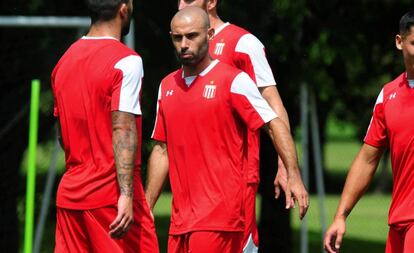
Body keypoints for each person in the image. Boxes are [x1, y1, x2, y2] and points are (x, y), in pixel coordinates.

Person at [145, 6, 308, 253]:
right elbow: (161, 149)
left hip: (218, 218)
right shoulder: (166, 86)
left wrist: (292, 173)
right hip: (180, 222)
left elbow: (274, 124)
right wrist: (147, 206)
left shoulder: (234, 80)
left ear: (210, 35)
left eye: (192, 36)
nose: (184, 44)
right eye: (178, 38)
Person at [50, 0, 159, 252]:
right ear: (124, 8)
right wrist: (127, 195)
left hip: (70, 196)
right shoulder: (126, 61)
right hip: (110, 196)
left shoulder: (63, 62)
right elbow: (123, 128)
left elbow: (61, 136)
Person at [324, 11, 414, 253]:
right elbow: (367, 159)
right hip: (399, 222)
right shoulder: (388, 95)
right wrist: (340, 215)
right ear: (399, 42)